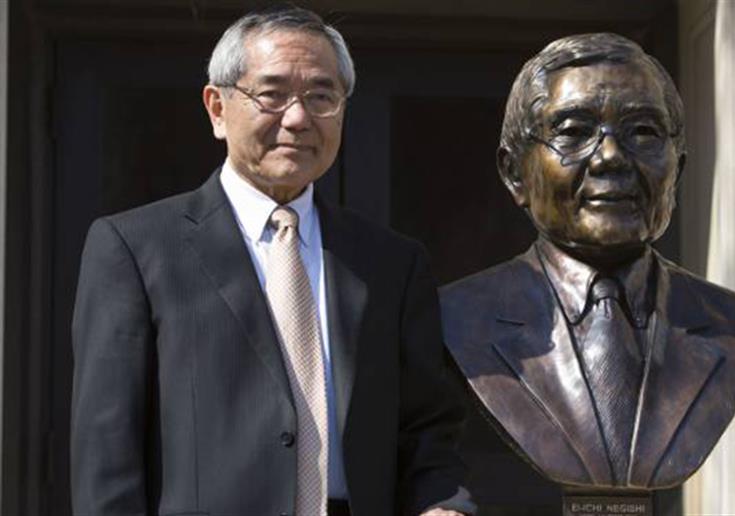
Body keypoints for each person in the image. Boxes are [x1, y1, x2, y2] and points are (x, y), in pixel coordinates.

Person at [70, 7, 471, 516]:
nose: (298, 118)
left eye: (321, 96)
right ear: (218, 109)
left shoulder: (390, 262)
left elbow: (427, 430)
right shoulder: (135, 249)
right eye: (272, 94)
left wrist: (442, 505)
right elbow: (107, 453)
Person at [439, 33, 735, 489]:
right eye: (574, 132)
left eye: (643, 132)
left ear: (678, 170)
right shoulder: (456, 317)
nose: (611, 157)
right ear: (515, 172)